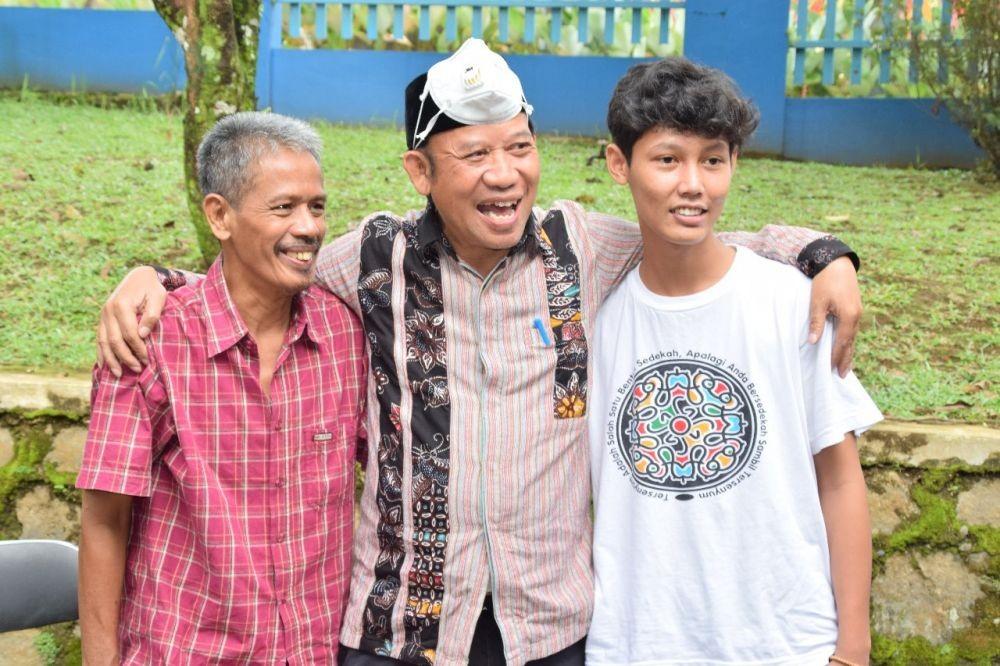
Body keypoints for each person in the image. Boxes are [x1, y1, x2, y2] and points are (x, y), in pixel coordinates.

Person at [95, 40, 864, 665]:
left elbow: (701, 232)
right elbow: (265, 265)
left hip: (550, 629)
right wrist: (155, 281)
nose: (505, 175)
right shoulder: (368, 259)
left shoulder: (584, 248)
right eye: (474, 155)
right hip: (401, 629)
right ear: (420, 172)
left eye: (519, 148)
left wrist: (824, 254)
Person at [586, 57, 881, 666]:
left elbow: (841, 478)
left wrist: (852, 646)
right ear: (620, 164)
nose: (693, 184)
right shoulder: (594, 316)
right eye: (668, 159)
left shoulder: (793, 302)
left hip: (786, 642)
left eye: (713, 159)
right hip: (637, 643)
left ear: (733, 165)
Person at [76, 112, 366, 663]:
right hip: (187, 650)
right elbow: (103, 521)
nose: (308, 227)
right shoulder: (149, 342)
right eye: (283, 207)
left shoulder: (345, 334)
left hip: (314, 650)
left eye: (317, 206)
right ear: (220, 215)